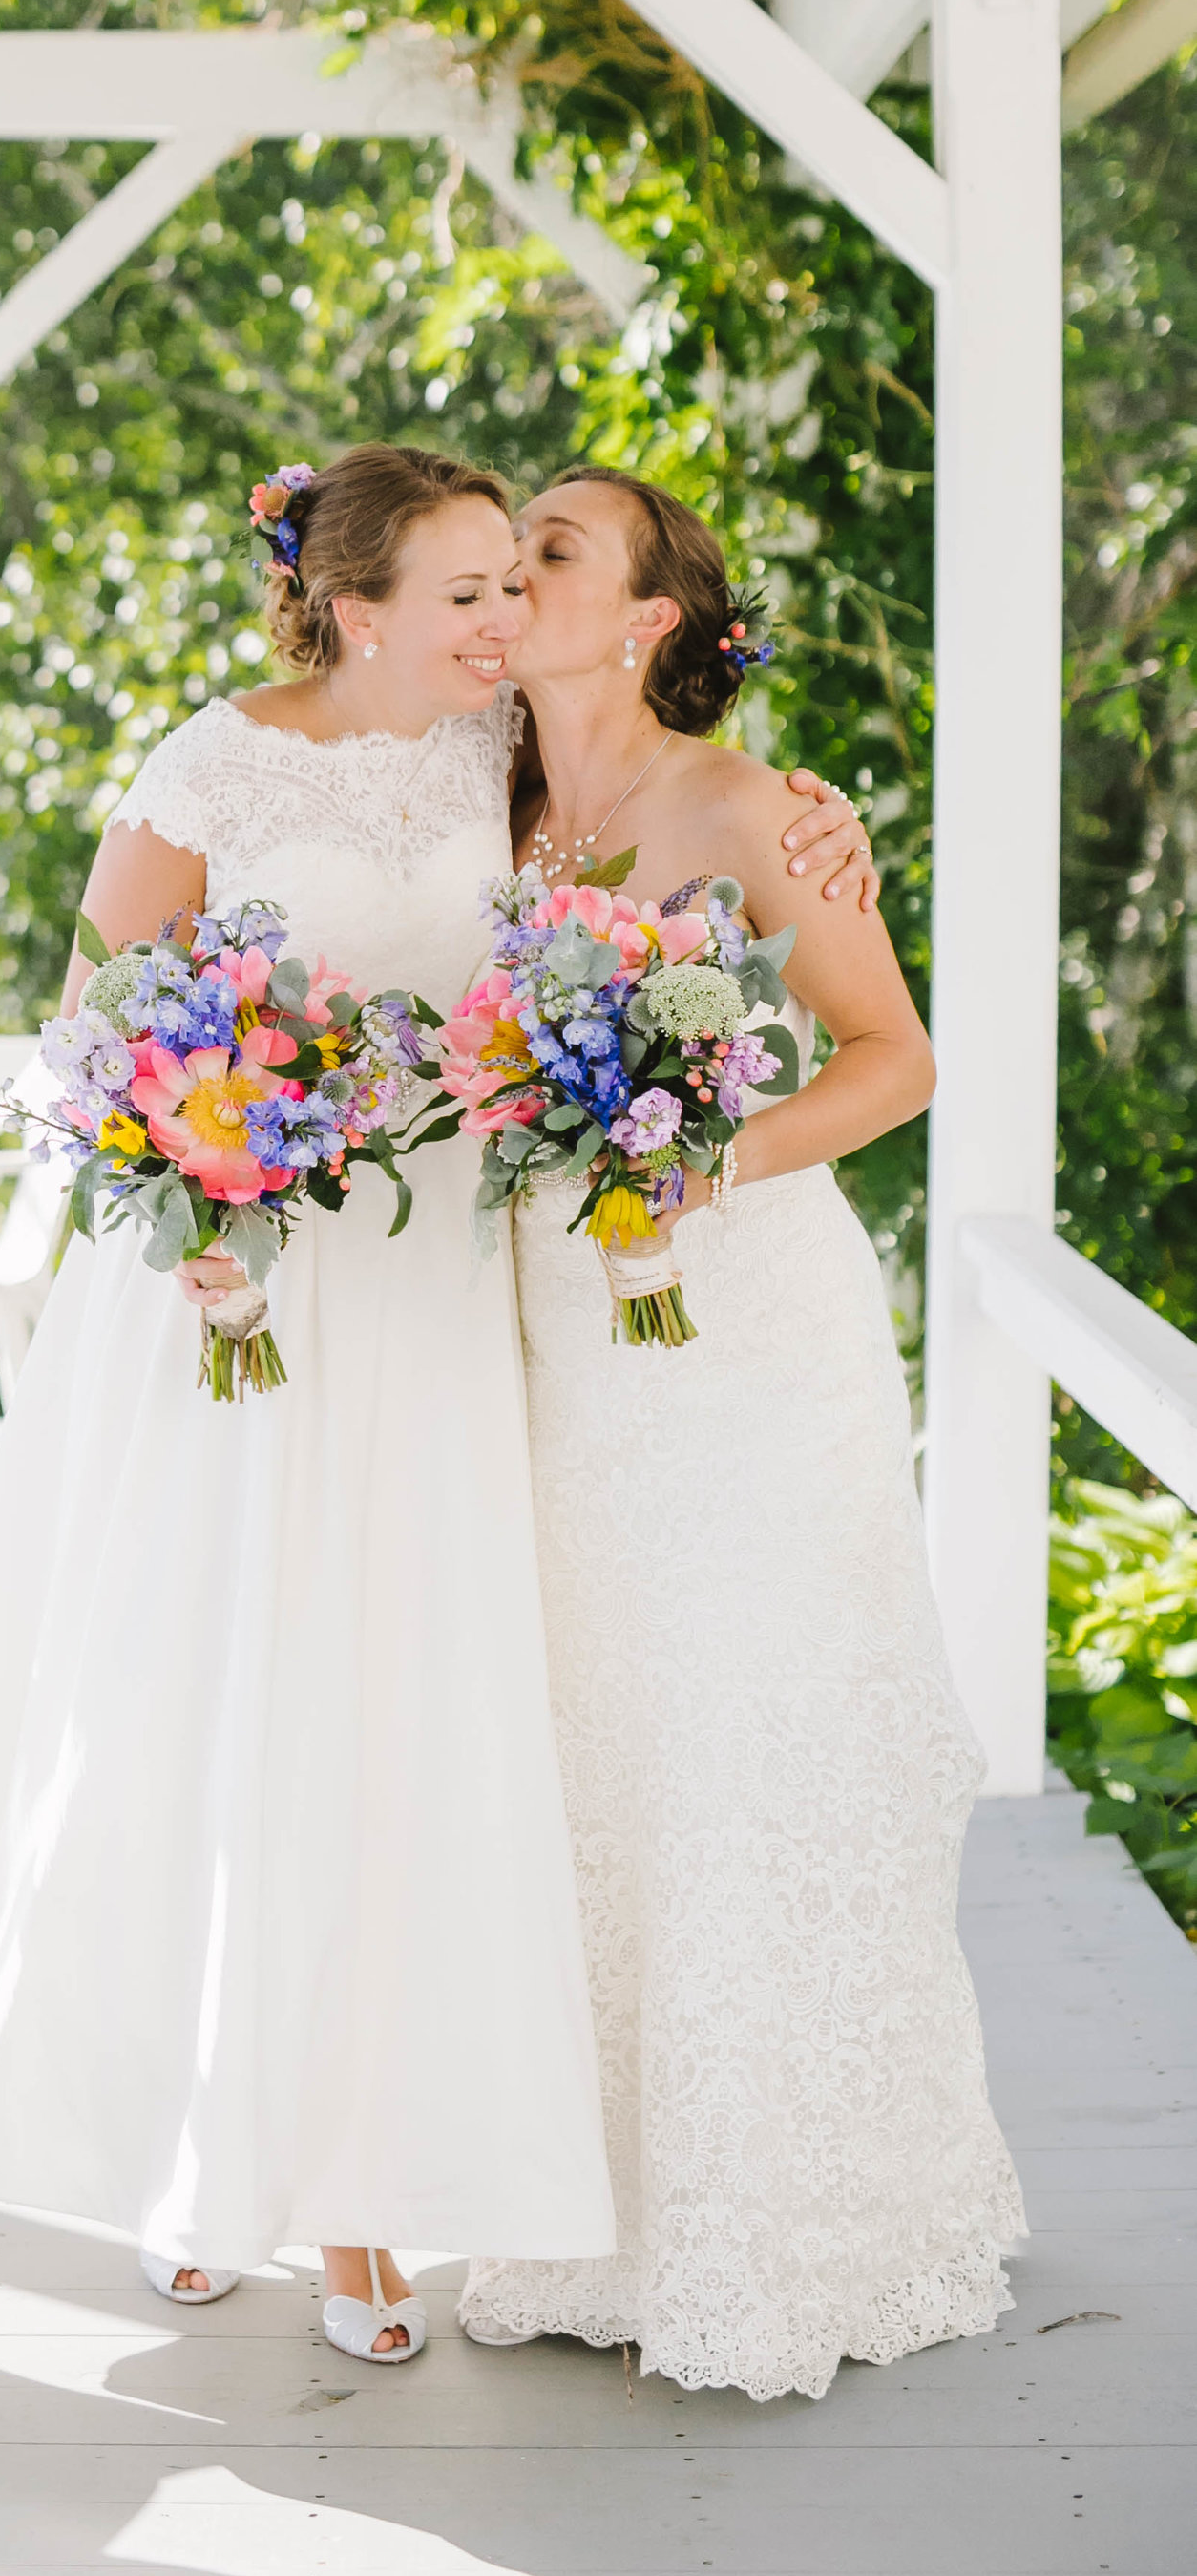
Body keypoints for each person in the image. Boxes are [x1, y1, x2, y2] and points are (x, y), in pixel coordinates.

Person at [0, 447, 866, 2365]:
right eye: (458, 594)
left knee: (406, 1715)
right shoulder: (205, 764)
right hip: (235, 1279)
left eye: (504, 588)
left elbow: (668, 814)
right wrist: (177, 1199)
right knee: (214, 1694)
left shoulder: (491, 763)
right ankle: (191, 2154)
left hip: (431, 1296)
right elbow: (94, 1021)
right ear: (351, 607)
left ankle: (370, 2200)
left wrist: (818, 825)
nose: (491, 625)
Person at [460, 469, 1023, 2401]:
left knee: (748, 1742)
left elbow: (894, 1062)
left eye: (550, 551)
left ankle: (787, 2220)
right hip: (545, 1337)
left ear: (640, 617)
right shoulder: (466, 805)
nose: (509, 570)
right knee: (589, 1748)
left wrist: (691, 1163)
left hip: (745, 1336)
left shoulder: (756, 808)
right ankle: (580, 2209)